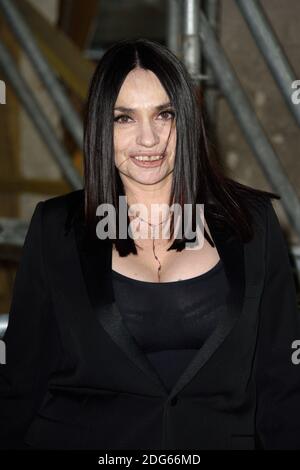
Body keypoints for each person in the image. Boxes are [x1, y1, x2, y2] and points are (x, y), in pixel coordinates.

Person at [0, 38, 300, 450]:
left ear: (187, 121)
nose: (148, 139)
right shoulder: (56, 229)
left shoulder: (252, 226)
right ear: (101, 128)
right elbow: (21, 382)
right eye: (124, 118)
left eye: (164, 114)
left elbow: (282, 385)